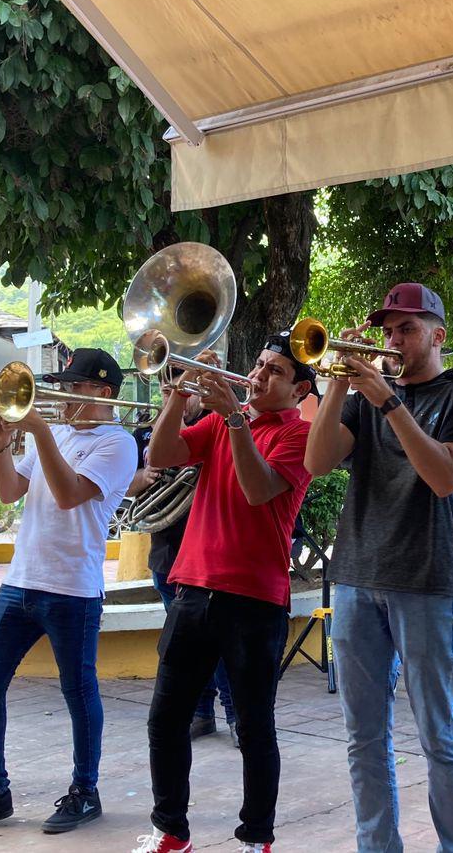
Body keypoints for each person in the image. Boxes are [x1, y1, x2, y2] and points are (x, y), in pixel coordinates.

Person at [304, 283, 453, 852]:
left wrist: (390, 401)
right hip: (357, 576)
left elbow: (443, 479)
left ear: (437, 334)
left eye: (406, 329)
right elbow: (315, 462)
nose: (394, 339)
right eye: (388, 330)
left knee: (438, 731)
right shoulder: (361, 397)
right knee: (363, 736)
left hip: (425, 580)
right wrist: (337, 387)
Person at [0, 348, 138, 836]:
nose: (63, 395)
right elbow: (8, 493)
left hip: (72, 588)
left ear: (103, 393)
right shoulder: (61, 433)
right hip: (22, 581)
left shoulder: (119, 444)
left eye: (75, 387)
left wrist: (42, 432)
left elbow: (70, 495)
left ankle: (85, 791)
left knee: (77, 690)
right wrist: (3, 442)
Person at [135, 334, 315, 853]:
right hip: (193, 587)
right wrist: (177, 394)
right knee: (165, 719)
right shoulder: (217, 421)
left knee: (255, 727)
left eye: (275, 371)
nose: (258, 376)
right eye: (259, 364)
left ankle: (256, 839)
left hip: (255, 598)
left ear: (299, 388)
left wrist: (236, 418)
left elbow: (259, 490)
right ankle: (171, 831)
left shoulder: (299, 435)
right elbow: (162, 453)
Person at [131, 378, 239, 746]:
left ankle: (235, 713)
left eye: (182, 389)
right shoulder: (148, 433)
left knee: (221, 645)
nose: (174, 396)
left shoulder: (220, 423)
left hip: (210, 556)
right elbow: (124, 487)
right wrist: (144, 477)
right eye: (165, 390)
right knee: (189, 647)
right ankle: (201, 713)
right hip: (166, 552)